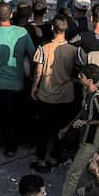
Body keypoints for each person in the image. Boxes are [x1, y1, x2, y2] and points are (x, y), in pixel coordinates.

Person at [53, 64, 99, 196]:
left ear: (90, 80)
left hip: (90, 140)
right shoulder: (88, 93)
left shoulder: (96, 96)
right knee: (91, 172)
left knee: (73, 174)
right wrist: (68, 127)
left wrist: (87, 122)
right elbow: (83, 111)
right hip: (85, 138)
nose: (79, 76)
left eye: (82, 75)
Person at [0, 1, 33, 155]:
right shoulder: (22, 33)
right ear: (11, 15)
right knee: (11, 118)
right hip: (15, 84)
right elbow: (32, 54)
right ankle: (11, 147)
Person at [32, 14, 80, 171]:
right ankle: (54, 157)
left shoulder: (43, 48)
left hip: (46, 95)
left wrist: (34, 87)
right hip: (66, 96)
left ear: (53, 28)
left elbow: (38, 72)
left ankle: (41, 159)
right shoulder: (74, 50)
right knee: (60, 129)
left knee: (43, 130)